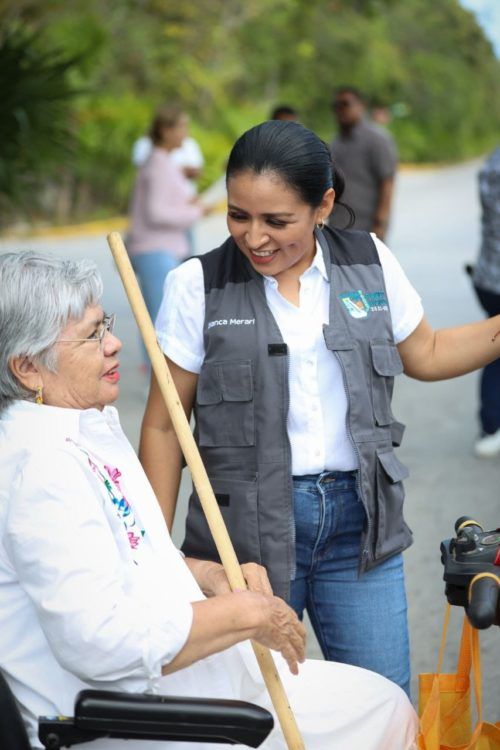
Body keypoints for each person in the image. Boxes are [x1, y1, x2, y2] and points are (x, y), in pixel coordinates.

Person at [0, 251, 418, 750]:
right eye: (92, 335)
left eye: (105, 324)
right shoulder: (41, 468)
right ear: (27, 368)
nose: (114, 344)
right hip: (140, 719)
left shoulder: (82, 428)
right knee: (378, 717)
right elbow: (101, 641)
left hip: (186, 685)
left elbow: (127, 557)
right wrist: (246, 615)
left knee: (383, 702)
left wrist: (210, 576)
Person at [139, 120, 500, 697]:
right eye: (238, 215)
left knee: (383, 706)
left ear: (323, 205)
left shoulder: (368, 261)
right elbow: (162, 425)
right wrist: (154, 555)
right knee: (255, 716)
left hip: (360, 533)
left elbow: (427, 352)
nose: (254, 237)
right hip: (243, 546)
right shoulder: (194, 287)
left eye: (276, 220)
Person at [127, 104, 208, 367]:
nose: (186, 132)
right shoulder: (159, 164)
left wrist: (190, 204)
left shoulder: (161, 161)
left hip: (161, 249)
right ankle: (159, 386)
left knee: (161, 320)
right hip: (155, 250)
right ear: (165, 130)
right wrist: (195, 212)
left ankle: (160, 383)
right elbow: (157, 213)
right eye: (182, 126)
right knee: (160, 323)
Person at [328, 86, 397, 241]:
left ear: (361, 106)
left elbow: (387, 181)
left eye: (345, 104)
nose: (340, 110)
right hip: (338, 224)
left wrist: (381, 222)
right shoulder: (336, 143)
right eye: (336, 106)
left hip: (367, 226)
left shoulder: (377, 140)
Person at [470, 147, 500, 457]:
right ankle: (492, 427)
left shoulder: (492, 160)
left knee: (495, 351)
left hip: (488, 274)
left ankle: (490, 426)